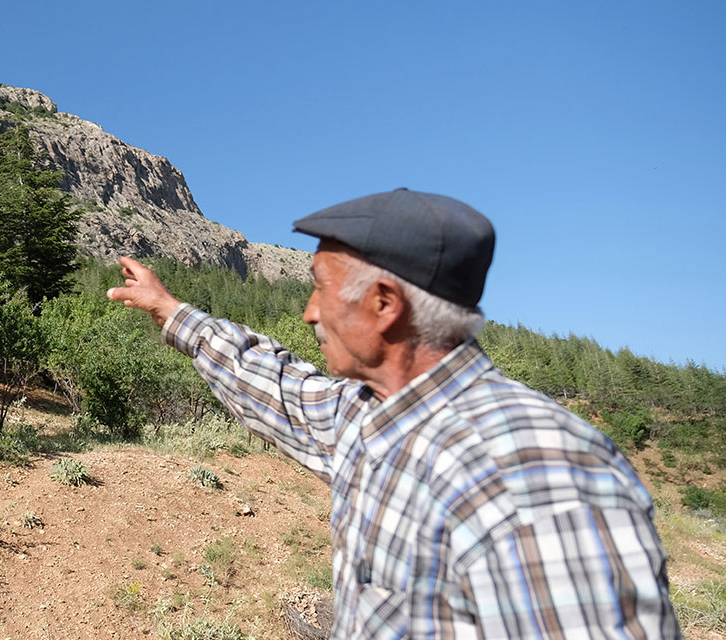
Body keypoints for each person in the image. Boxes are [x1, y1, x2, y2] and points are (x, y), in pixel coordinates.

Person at [106, 188, 679, 639]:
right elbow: (277, 386)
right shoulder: (367, 415)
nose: (309, 313)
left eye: (320, 290)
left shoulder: (537, 474)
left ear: (384, 304)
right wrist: (169, 308)